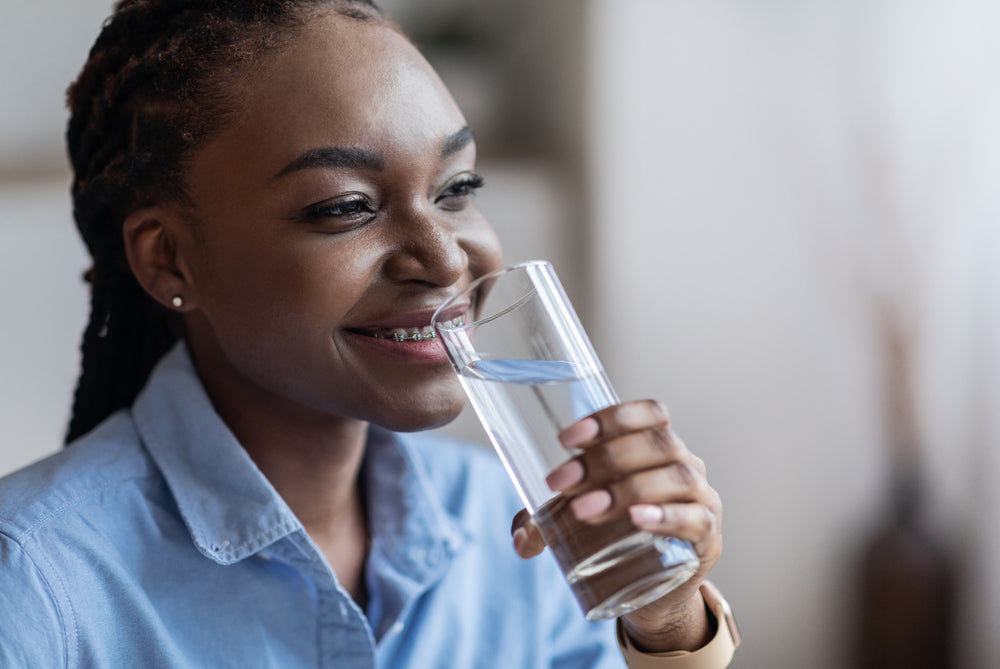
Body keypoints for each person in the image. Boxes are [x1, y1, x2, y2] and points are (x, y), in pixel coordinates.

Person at [0, 1, 738, 666]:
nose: (445, 257)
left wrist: (666, 620)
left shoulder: (522, 533)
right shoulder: (33, 582)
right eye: (345, 207)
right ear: (170, 256)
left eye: (457, 189)